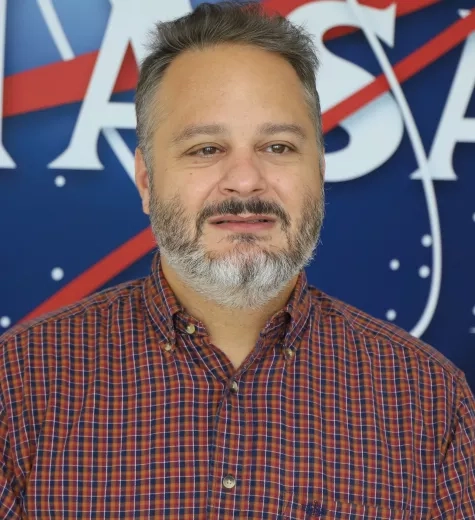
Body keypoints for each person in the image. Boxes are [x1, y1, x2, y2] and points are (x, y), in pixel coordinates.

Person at [1, 2, 474, 518]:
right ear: (146, 179)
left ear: (319, 171)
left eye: (277, 146)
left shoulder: (428, 398)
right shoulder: (21, 382)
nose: (246, 180)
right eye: (206, 149)